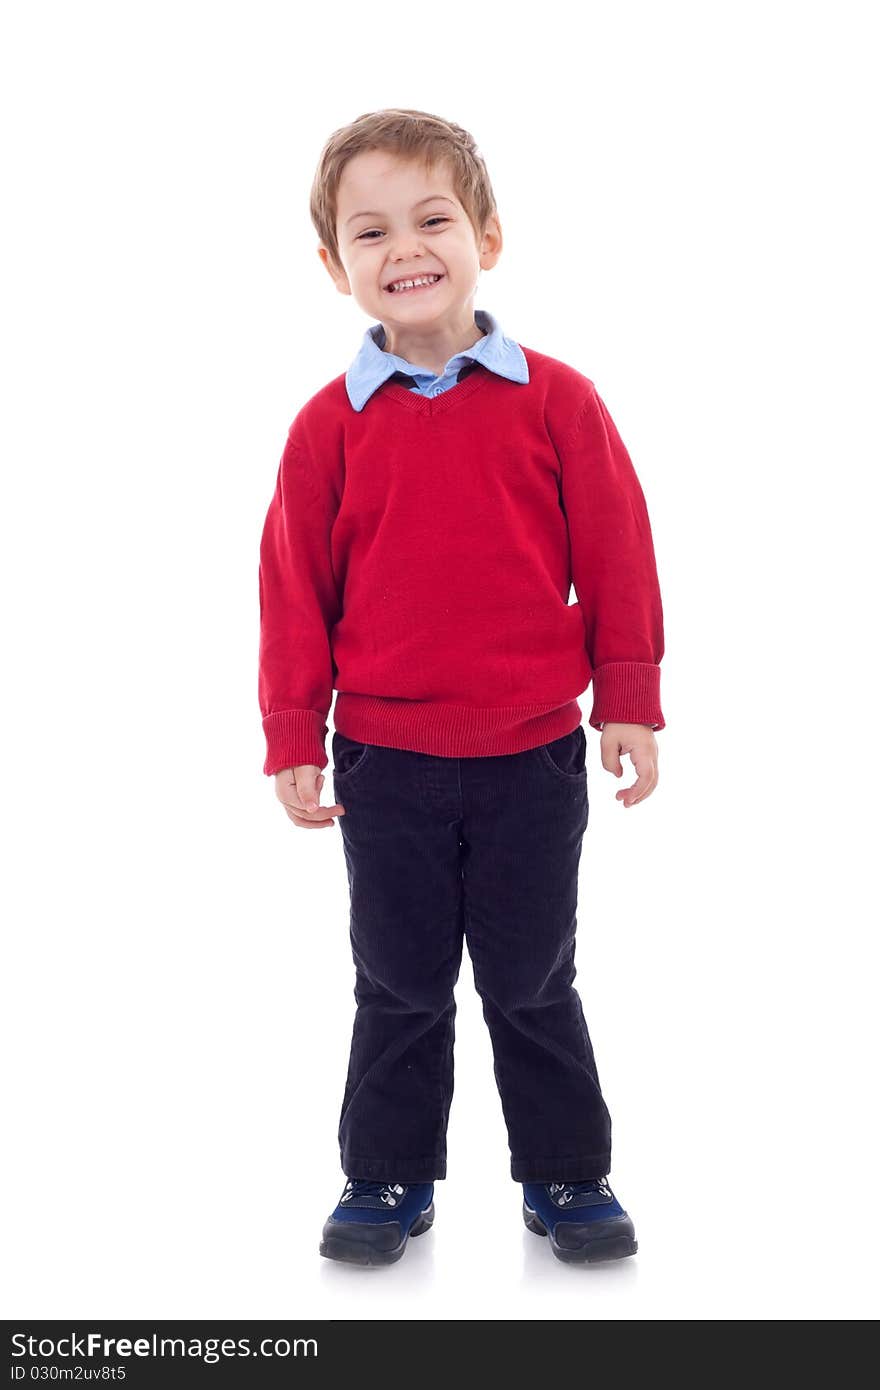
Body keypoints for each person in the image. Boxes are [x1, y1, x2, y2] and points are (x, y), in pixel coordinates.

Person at [257, 108, 666, 1267]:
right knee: (396, 980)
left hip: (531, 756)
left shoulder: (558, 402)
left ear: (487, 232)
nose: (406, 248)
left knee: (533, 977)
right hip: (384, 764)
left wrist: (626, 698)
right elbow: (292, 589)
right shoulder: (326, 430)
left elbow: (618, 552)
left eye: (431, 218)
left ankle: (566, 1172)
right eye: (370, 231)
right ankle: (385, 1175)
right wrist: (295, 732)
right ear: (337, 269)